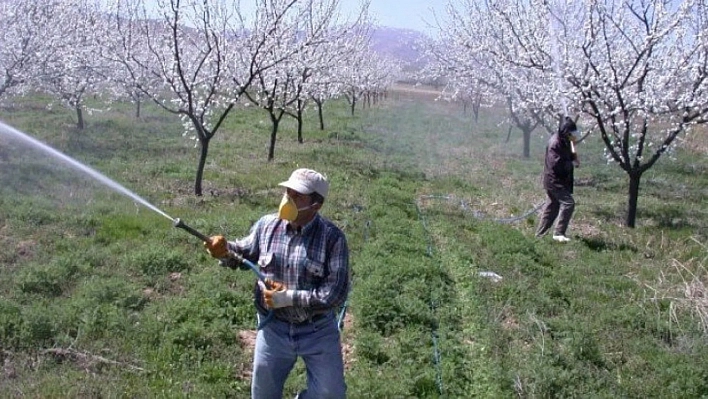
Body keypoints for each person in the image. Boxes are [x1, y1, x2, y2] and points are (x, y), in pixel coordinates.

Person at [204, 168, 349, 399]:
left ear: (316, 205)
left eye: (298, 196)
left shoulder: (333, 238)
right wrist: (224, 249)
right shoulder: (267, 225)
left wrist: (289, 297)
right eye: (287, 191)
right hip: (274, 328)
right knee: (263, 393)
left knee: (330, 394)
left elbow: (335, 294)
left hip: (317, 330)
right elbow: (244, 253)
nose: (288, 199)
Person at [536, 117, 581, 242]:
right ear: (566, 132)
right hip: (554, 180)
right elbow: (556, 164)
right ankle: (559, 233)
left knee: (552, 207)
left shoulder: (565, 140)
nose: (574, 136)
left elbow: (569, 151)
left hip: (556, 180)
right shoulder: (555, 143)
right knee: (568, 203)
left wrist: (573, 157)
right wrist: (570, 163)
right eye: (572, 133)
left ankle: (539, 236)